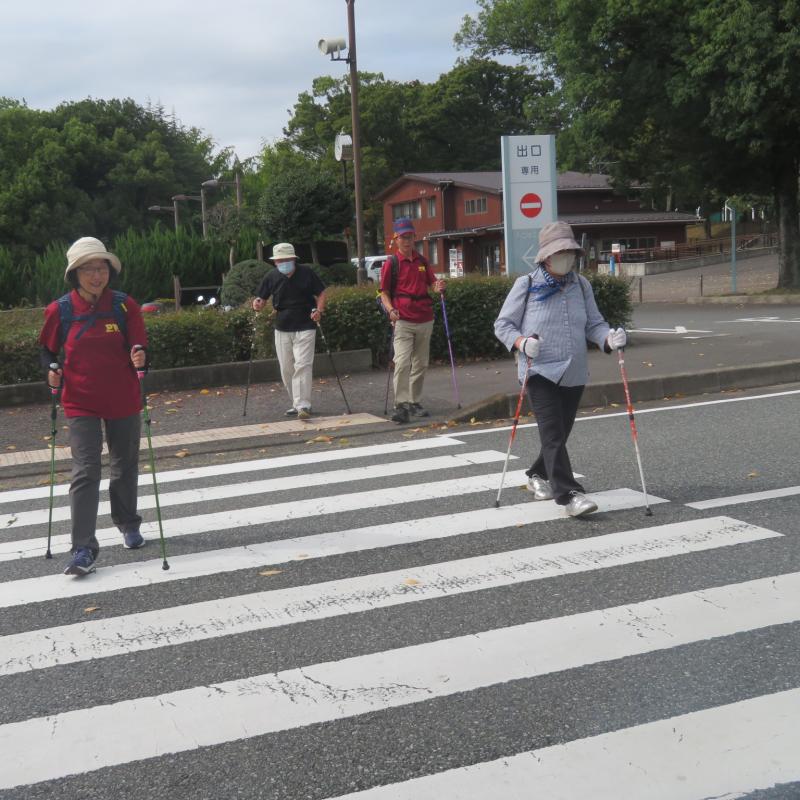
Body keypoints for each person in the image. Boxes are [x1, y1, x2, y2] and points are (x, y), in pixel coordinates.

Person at [494, 221, 627, 518]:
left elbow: (594, 324)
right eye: (560, 251)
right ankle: (569, 495)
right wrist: (521, 342)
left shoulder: (581, 285)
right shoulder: (526, 284)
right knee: (552, 432)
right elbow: (503, 325)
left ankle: (536, 474)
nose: (566, 256)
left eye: (570, 251)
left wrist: (609, 338)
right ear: (545, 256)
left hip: (574, 371)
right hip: (539, 370)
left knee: (560, 433)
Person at [39, 237, 148, 575]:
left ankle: (128, 523)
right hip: (79, 400)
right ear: (75, 274)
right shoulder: (61, 310)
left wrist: (141, 357)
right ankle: (83, 548)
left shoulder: (124, 305)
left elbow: (141, 346)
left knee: (124, 464)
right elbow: (47, 351)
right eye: (88, 269)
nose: (96, 275)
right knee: (86, 471)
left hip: (123, 396)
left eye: (101, 268)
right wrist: (52, 370)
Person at [379, 217, 446, 423]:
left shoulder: (422, 261)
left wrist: (439, 286)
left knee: (420, 363)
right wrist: (390, 310)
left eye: (410, 237)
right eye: (403, 237)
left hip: (425, 318)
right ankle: (400, 404)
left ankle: (414, 401)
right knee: (401, 362)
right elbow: (383, 292)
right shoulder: (392, 263)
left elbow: (432, 283)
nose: (407, 241)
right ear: (396, 239)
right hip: (403, 319)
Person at [252, 243, 326, 420]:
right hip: (282, 325)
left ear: (293, 259)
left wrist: (319, 310)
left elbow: (322, 293)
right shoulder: (271, 276)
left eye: (286, 259)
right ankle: (296, 402)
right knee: (286, 368)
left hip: (306, 323)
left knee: (303, 364)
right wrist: (257, 303)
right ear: (275, 262)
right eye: (279, 260)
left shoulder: (307, 273)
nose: (282, 263)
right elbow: (260, 298)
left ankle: (303, 405)